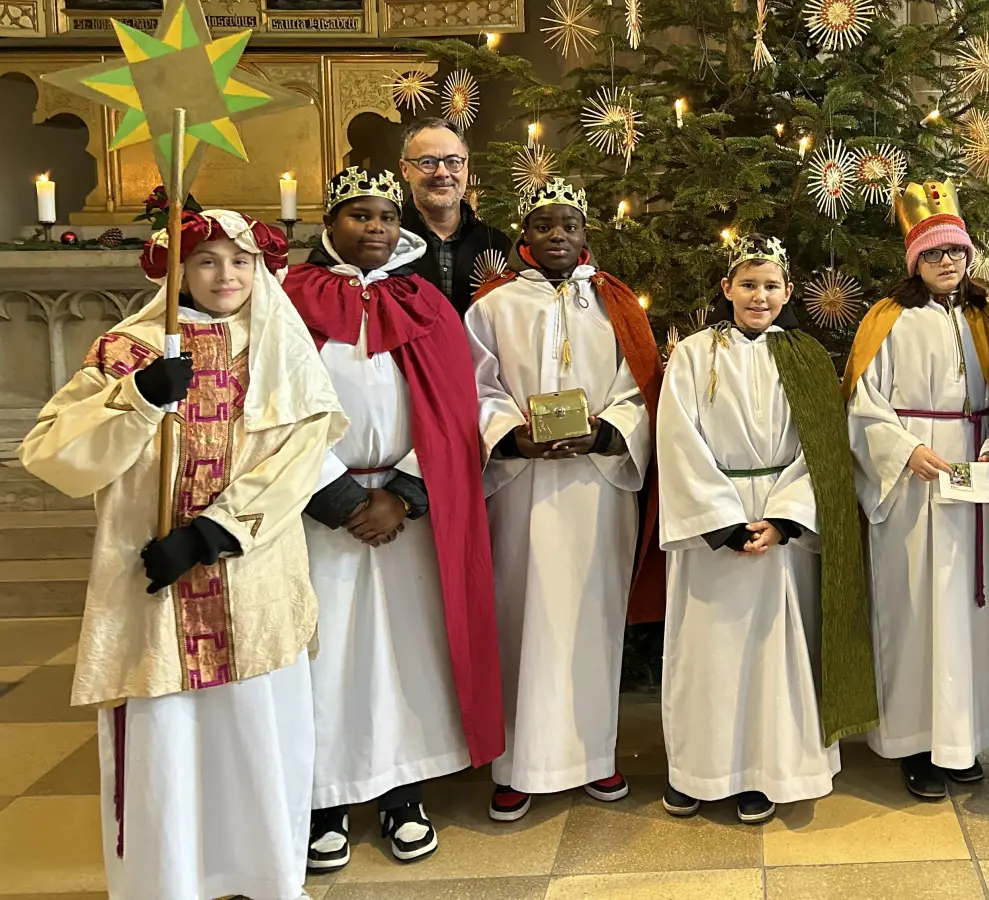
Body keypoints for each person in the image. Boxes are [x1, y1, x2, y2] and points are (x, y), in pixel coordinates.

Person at [19, 207, 346, 899]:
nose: (225, 275)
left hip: (248, 578)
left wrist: (211, 534)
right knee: (167, 738)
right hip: (153, 592)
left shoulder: (277, 347)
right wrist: (136, 399)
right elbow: (52, 453)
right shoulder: (129, 349)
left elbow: (300, 451)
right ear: (174, 271)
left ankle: (268, 878)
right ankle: (166, 883)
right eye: (205, 261)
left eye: (240, 260)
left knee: (258, 735)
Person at [284, 167, 503, 869]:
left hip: (404, 509)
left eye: (384, 216)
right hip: (322, 510)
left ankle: (401, 791)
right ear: (331, 224)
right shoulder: (289, 300)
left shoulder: (426, 302)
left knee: (405, 650)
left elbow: (452, 410)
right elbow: (275, 410)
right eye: (359, 216)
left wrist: (403, 494)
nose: (374, 228)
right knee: (329, 654)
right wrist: (342, 498)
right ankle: (324, 796)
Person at [656, 235, 878, 824]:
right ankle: (698, 771)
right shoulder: (694, 354)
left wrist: (782, 519)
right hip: (714, 523)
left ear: (787, 293)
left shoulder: (805, 355)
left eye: (771, 285)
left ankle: (765, 770)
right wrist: (721, 522)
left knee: (773, 654)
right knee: (705, 652)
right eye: (748, 284)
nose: (759, 295)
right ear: (726, 288)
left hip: (779, 517)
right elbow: (676, 436)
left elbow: (823, 449)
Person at [466, 176, 665, 820]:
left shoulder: (615, 304)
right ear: (523, 235)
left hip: (596, 486)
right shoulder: (493, 306)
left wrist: (608, 430)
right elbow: (475, 386)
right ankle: (518, 763)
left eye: (569, 226)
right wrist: (511, 437)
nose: (557, 236)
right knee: (519, 616)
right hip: (522, 489)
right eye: (544, 225)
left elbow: (641, 384)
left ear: (586, 235)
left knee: (592, 617)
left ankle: (594, 757)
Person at [843, 179, 989, 801]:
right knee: (916, 607)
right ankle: (918, 742)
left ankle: (963, 735)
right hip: (915, 487)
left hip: (974, 479)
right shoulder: (887, 321)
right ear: (914, 260)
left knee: (974, 611)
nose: (947, 262)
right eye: (934, 254)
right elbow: (863, 405)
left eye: (956, 252)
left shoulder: (988, 321)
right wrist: (904, 450)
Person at [398, 117, 514, 316]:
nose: (442, 173)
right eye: (427, 162)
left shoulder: (497, 244)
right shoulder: (387, 243)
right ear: (405, 169)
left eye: (453, 162)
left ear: (466, 168)